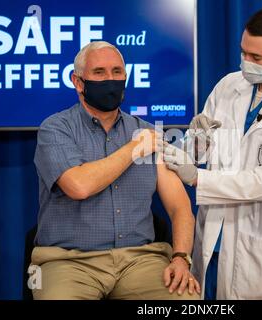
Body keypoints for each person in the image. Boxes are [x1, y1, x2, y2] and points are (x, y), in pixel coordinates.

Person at [163, 8, 262, 299]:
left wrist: (199, 179)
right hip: (214, 236)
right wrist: (197, 139)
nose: (246, 62)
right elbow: (196, 154)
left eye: (256, 58)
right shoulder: (229, 86)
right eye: (243, 53)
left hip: (261, 244)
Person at [32, 41, 200, 300]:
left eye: (117, 72)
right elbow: (79, 186)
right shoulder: (55, 129)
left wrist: (181, 258)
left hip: (140, 260)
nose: (110, 79)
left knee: (186, 301)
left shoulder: (148, 133)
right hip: (68, 261)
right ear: (78, 82)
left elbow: (180, 207)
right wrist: (134, 148)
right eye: (99, 73)